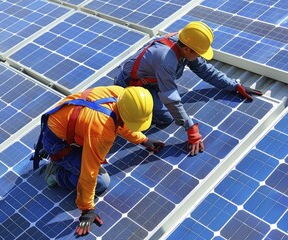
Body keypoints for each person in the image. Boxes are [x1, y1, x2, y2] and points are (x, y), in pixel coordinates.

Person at [30, 85, 165, 236]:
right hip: (58, 142)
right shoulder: (101, 131)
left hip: (67, 125)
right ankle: (56, 172)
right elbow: (90, 172)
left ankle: (57, 153)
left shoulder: (122, 94)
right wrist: (87, 209)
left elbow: (121, 121)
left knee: (92, 160)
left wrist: (144, 140)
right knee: (101, 182)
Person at [114, 21, 263, 156]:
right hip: (130, 86)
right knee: (165, 117)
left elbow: (205, 70)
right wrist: (190, 128)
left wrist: (234, 85)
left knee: (168, 116)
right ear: (187, 49)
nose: (200, 56)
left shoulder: (184, 42)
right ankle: (124, 112)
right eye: (199, 53)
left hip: (151, 84)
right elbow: (171, 98)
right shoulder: (166, 60)